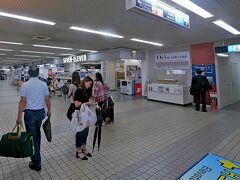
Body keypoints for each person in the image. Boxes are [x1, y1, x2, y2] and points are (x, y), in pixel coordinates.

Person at [16, 66, 51, 171]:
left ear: (29, 73)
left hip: (30, 114)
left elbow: (22, 102)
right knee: (37, 134)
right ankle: (36, 154)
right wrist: (49, 110)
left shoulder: (25, 85)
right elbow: (47, 99)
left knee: (32, 137)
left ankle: (37, 163)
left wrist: (19, 117)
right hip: (40, 113)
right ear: (38, 73)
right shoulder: (43, 84)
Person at [74, 76, 99, 160]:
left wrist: (95, 105)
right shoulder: (78, 90)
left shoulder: (87, 91)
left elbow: (88, 103)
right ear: (85, 81)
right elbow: (76, 104)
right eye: (89, 84)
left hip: (86, 114)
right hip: (79, 114)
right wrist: (87, 103)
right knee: (80, 132)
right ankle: (78, 151)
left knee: (86, 132)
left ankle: (84, 148)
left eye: (91, 84)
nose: (89, 86)